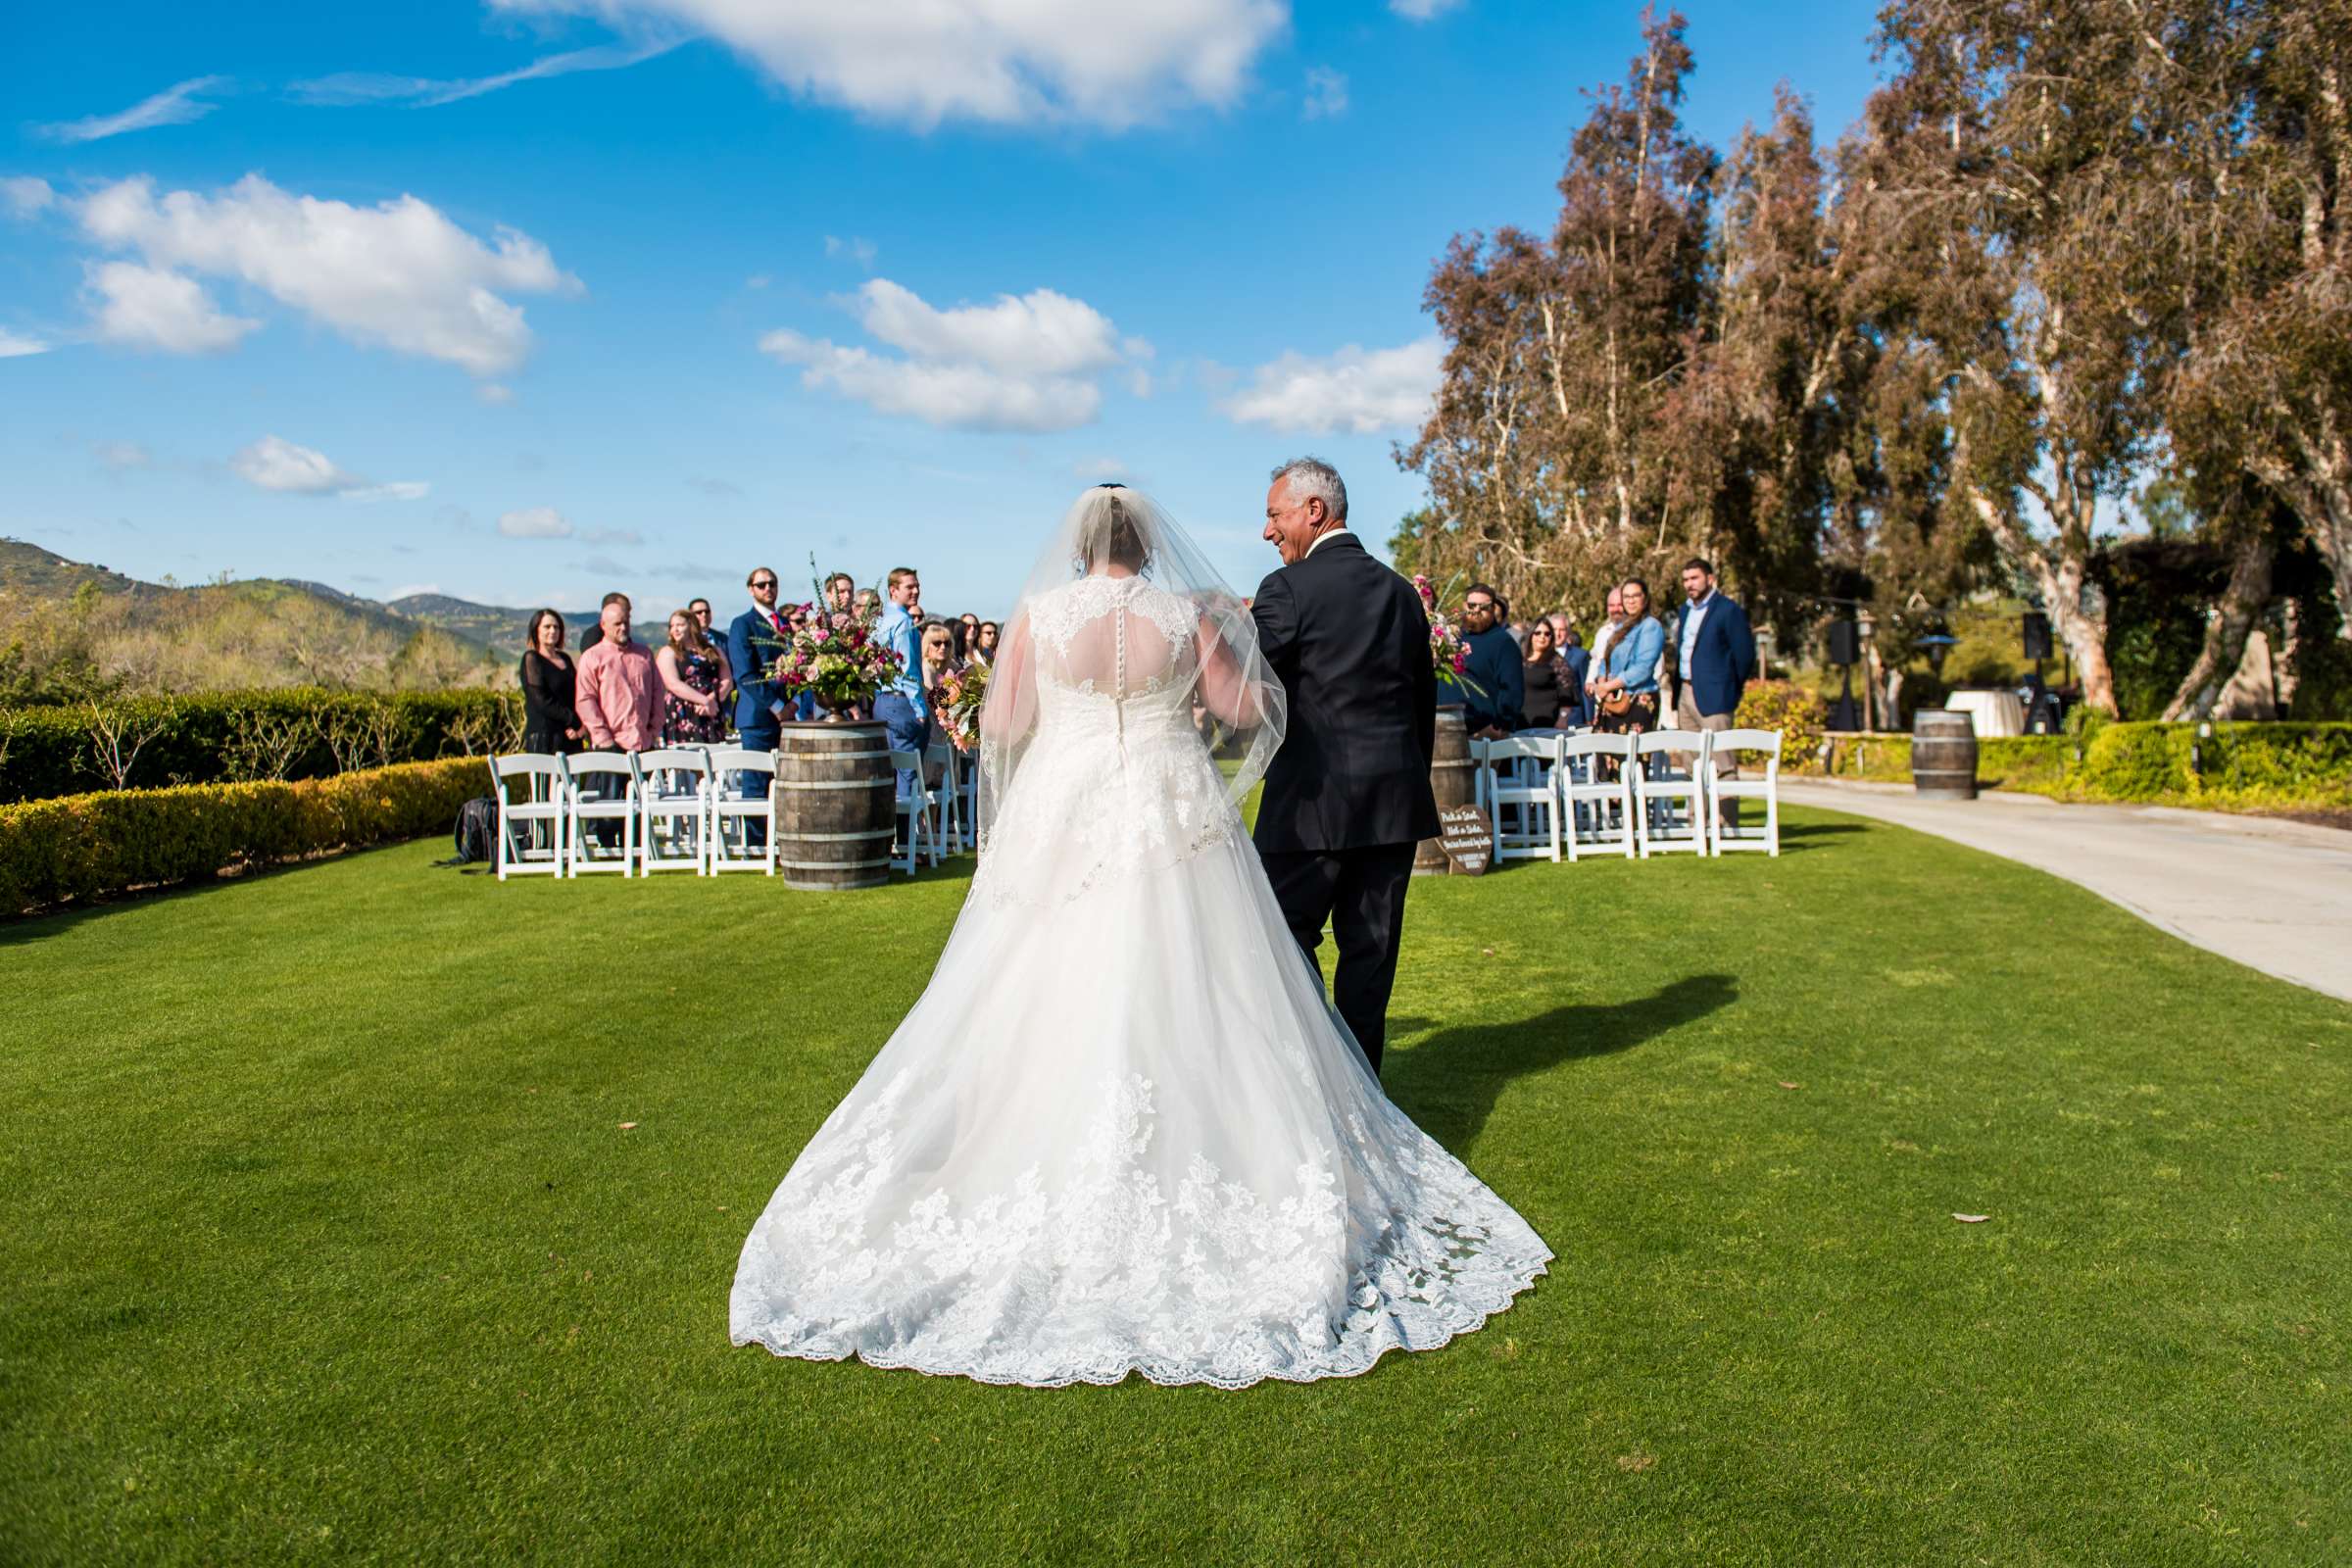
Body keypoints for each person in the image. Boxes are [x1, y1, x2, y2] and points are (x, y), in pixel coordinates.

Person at [729, 481, 1548, 1388]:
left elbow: (1002, 726)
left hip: (1069, 804)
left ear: (1080, 546)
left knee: (1040, 972)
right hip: (1168, 799)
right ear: (1149, 543)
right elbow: (1243, 712)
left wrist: (997, 709)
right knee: (1204, 974)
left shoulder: (1041, 613)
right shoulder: (1180, 610)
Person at [1250, 455, 1442, 1074]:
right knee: (1371, 954)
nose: (1267, 531)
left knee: (1282, 944)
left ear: (1314, 510)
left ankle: (1308, 1084)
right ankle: (1365, 1090)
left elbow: (1251, 689)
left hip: (1309, 808)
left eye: (1274, 515)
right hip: (1393, 805)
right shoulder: (1402, 593)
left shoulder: (1287, 590)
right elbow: (1421, 706)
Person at [1672, 556, 1757, 822]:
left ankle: (1726, 822)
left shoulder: (1727, 610)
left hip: (1716, 696)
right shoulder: (1685, 611)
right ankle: (1698, 820)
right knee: (1693, 763)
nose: (1689, 584)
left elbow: (1744, 655)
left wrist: (1729, 690)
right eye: (1685, 579)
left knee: (1722, 762)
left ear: (1710, 579)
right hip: (1685, 692)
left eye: (1694, 578)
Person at [1588, 577, 1665, 757]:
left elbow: (1642, 668)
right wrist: (1602, 684)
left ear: (1645, 598)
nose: (1630, 600)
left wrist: (1608, 686)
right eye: (1626, 596)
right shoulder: (1621, 627)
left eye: (1635, 596)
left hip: (1637, 700)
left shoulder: (1651, 626)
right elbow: (1605, 661)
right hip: (1612, 699)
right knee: (1607, 757)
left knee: (1631, 760)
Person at [575, 594, 662, 752]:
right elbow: (585, 700)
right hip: (610, 746)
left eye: (626, 622)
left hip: (644, 743)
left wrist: (653, 731)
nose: (623, 627)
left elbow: (658, 692)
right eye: (617, 624)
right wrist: (603, 738)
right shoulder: (592, 657)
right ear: (603, 625)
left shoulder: (645, 655)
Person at [873, 567, 927, 800]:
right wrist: (920, 709)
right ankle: (907, 834)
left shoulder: (879, 620)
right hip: (901, 701)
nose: (916, 591)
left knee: (886, 771)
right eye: (909, 587)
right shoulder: (903, 622)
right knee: (908, 772)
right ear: (893, 590)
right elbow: (908, 668)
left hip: (881, 700)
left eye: (917, 586)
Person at [1456, 583, 1525, 739]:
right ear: (1464, 605)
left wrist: (1498, 727)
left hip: (1484, 736)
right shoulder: (1452, 639)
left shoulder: (1503, 643)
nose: (1477, 610)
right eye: (1472, 605)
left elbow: (1512, 691)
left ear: (1493, 609)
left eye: (1484, 607)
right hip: (1445, 730)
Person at [658, 609, 727, 744]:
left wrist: (713, 700)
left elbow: (727, 679)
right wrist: (704, 701)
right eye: (672, 626)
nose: (675, 630)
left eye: (680, 625)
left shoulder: (713, 650)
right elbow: (672, 683)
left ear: (691, 626)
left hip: (711, 710)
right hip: (683, 711)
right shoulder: (668, 652)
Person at [519, 609, 583, 754]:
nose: (553, 631)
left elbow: (576, 693)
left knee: (572, 776)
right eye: (547, 627)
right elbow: (542, 701)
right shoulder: (532, 659)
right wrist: (574, 721)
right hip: (545, 738)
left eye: (556, 627)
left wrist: (579, 727)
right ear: (536, 630)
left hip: (570, 736)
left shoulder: (565, 658)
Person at [1518, 616, 1572, 730]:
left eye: (1547, 634)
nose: (1542, 637)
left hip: (1547, 727)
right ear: (1531, 635)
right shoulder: (1519, 659)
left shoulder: (1558, 662)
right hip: (1519, 724)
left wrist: (1562, 719)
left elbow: (1566, 697)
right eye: (1538, 633)